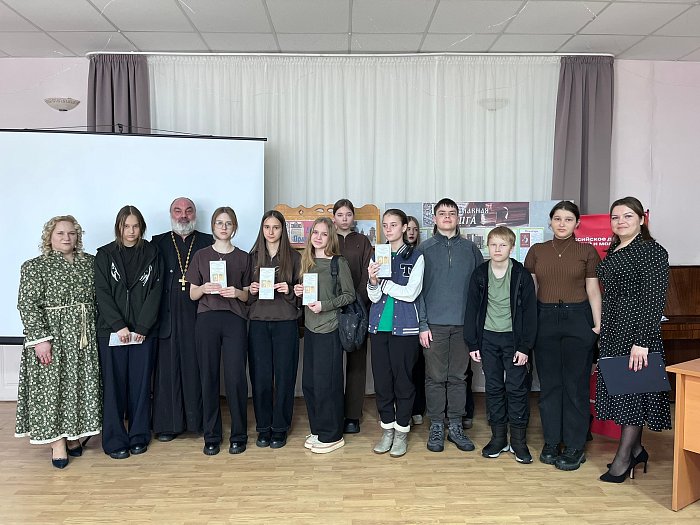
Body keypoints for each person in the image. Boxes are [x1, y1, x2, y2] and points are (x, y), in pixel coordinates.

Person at [15, 216, 101, 469]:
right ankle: (57, 442)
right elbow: (27, 305)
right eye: (60, 233)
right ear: (49, 237)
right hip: (53, 337)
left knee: (78, 386)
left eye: (71, 233)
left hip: (83, 338)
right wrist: (40, 340)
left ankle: (73, 435)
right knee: (52, 388)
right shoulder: (35, 266)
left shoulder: (90, 263)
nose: (66, 237)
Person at [595, 196, 670, 483]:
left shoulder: (651, 250)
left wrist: (643, 341)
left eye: (627, 216)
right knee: (624, 391)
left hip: (637, 333)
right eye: (615, 217)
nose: (621, 221)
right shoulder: (615, 248)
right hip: (614, 331)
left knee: (633, 395)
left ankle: (623, 459)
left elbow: (655, 299)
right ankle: (637, 450)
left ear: (641, 219)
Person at [524, 200, 601, 471]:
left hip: (577, 319)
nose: (562, 224)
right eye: (557, 218)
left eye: (568, 219)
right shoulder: (537, 250)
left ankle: (575, 444)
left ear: (577, 223)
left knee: (575, 386)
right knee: (549, 385)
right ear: (550, 222)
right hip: (544, 319)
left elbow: (593, 290)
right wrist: (528, 326)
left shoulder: (587, 251)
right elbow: (530, 292)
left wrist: (597, 325)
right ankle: (551, 441)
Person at [464, 226, 537, 463]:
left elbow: (530, 313)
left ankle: (518, 441)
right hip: (487, 339)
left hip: (514, 340)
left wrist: (525, 347)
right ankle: (498, 438)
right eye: (493, 244)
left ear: (511, 248)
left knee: (516, 389)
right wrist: (472, 343)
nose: (497, 249)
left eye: (503, 245)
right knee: (494, 388)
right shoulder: (479, 274)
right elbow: (471, 309)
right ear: (488, 246)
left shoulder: (521, 275)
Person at [95, 206, 164, 460]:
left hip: (143, 333)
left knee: (141, 386)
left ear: (141, 227)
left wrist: (143, 327)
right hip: (111, 332)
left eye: (135, 226)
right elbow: (102, 293)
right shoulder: (104, 255)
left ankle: (138, 436)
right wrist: (118, 325)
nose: (131, 231)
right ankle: (114, 440)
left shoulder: (153, 253)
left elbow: (156, 292)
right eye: (126, 226)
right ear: (119, 228)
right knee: (113, 388)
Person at [418, 198, 483, 453]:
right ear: (434, 219)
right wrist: (423, 324)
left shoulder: (471, 250)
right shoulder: (424, 249)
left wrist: (475, 326)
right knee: (434, 377)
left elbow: (480, 290)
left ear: (458, 218)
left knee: (458, 377)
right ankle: (436, 425)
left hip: (463, 326)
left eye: (452, 213)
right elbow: (416, 291)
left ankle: (455, 425)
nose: (447, 217)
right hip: (433, 325)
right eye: (442, 213)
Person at [187, 206, 251, 456]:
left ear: (234, 227)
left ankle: (239, 435)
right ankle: (211, 436)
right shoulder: (201, 255)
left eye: (228, 223)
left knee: (236, 378)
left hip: (234, 320)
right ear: (213, 226)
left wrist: (236, 292)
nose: (223, 227)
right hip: (207, 319)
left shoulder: (244, 257)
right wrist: (204, 288)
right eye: (219, 223)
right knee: (209, 377)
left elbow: (248, 295)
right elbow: (192, 294)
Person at [151, 197, 213, 442]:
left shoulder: (208, 242)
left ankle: (198, 423)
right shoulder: (157, 243)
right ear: (171, 214)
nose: (183, 215)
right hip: (167, 316)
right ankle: (168, 425)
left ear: (195, 214)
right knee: (167, 370)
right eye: (178, 211)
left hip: (198, 315)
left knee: (196, 370)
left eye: (188, 211)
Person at [293, 217, 355, 453]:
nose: (318, 237)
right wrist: (299, 291)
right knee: (310, 383)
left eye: (324, 234)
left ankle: (333, 435)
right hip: (310, 329)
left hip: (330, 328)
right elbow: (308, 294)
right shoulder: (306, 262)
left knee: (327, 384)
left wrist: (325, 305)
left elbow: (349, 295)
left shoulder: (338, 263)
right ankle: (318, 428)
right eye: (315, 233)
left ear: (331, 238)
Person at [367, 209, 424, 457]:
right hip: (379, 328)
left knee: (403, 382)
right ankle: (387, 429)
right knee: (382, 383)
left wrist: (385, 284)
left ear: (404, 227)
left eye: (393, 225)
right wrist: (373, 282)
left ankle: (401, 431)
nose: (388, 229)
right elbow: (374, 297)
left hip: (405, 330)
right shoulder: (377, 254)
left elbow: (411, 293)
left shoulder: (416, 256)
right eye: (385, 225)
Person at [248, 210, 302, 450]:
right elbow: (243, 296)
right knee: (260, 377)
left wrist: (289, 290)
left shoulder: (295, 257)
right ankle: (263, 427)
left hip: (285, 323)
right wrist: (250, 290)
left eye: (276, 227)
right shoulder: (252, 257)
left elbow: (304, 295)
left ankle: (280, 427)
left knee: (284, 377)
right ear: (262, 229)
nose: (271, 232)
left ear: (283, 230)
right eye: (267, 227)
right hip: (258, 323)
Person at [333, 199, 373, 434]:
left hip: (358, 308)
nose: (344, 218)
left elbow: (369, 272)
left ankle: (352, 415)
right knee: (333, 363)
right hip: (332, 309)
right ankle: (335, 412)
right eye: (340, 214)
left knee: (357, 363)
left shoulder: (362, 241)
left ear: (353, 218)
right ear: (334, 217)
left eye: (348, 214)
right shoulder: (328, 238)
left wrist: (356, 300)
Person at [406, 215, 426, 425]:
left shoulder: (422, 254)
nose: (411, 232)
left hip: (421, 318)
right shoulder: (390, 254)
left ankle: (418, 407)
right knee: (405, 369)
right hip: (401, 320)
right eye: (408, 228)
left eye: (415, 229)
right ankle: (405, 410)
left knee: (419, 366)